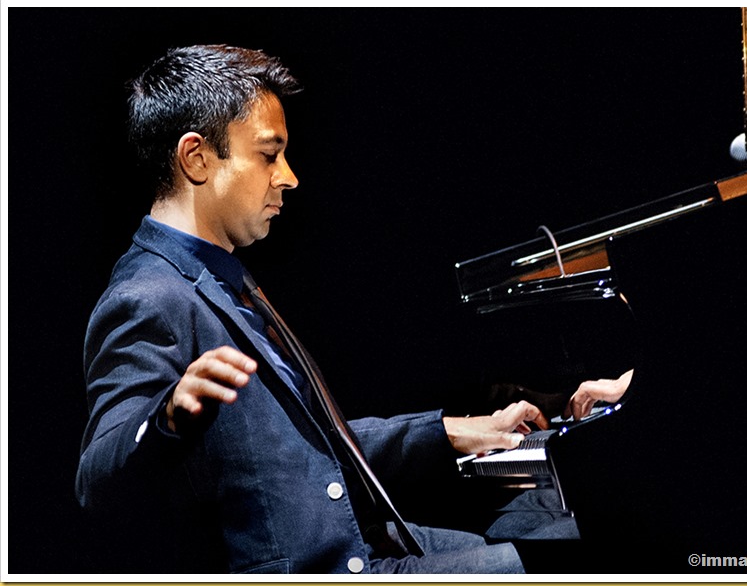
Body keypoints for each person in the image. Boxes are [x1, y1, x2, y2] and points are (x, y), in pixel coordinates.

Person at [76, 44, 625, 574]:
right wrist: (166, 415)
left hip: (370, 543)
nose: (289, 175)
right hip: (332, 568)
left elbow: (307, 448)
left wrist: (457, 430)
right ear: (196, 157)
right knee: (596, 554)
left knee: (569, 536)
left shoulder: (223, 272)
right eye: (270, 154)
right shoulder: (146, 296)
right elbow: (96, 481)